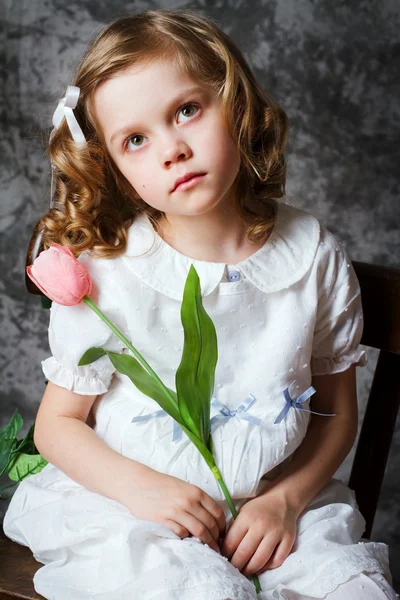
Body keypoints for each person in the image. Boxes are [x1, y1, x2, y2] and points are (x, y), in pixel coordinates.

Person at [2, 8, 397, 600]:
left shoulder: (313, 255)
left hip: (275, 500)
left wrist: (286, 500)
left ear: (234, 103)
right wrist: (142, 489)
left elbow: (337, 412)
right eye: (136, 139)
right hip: (133, 506)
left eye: (187, 110)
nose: (172, 149)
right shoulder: (110, 271)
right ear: (116, 168)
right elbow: (57, 427)